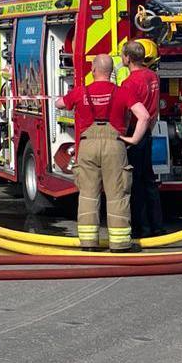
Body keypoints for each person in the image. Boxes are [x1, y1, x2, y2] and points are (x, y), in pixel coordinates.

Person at [60, 54, 131, 252]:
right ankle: (119, 244)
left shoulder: (81, 92)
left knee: (88, 194)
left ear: (93, 70)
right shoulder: (121, 92)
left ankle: (89, 243)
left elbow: (59, 103)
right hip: (115, 146)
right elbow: (142, 115)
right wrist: (133, 139)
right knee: (117, 194)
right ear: (111, 72)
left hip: (88, 146)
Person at [117, 38, 165, 241]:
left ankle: (142, 228)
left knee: (135, 182)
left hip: (134, 132)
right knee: (149, 180)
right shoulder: (153, 76)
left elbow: (132, 113)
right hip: (148, 131)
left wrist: (129, 138)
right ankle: (157, 226)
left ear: (127, 58)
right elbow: (152, 112)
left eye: (122, 55)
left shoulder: (129, 83)